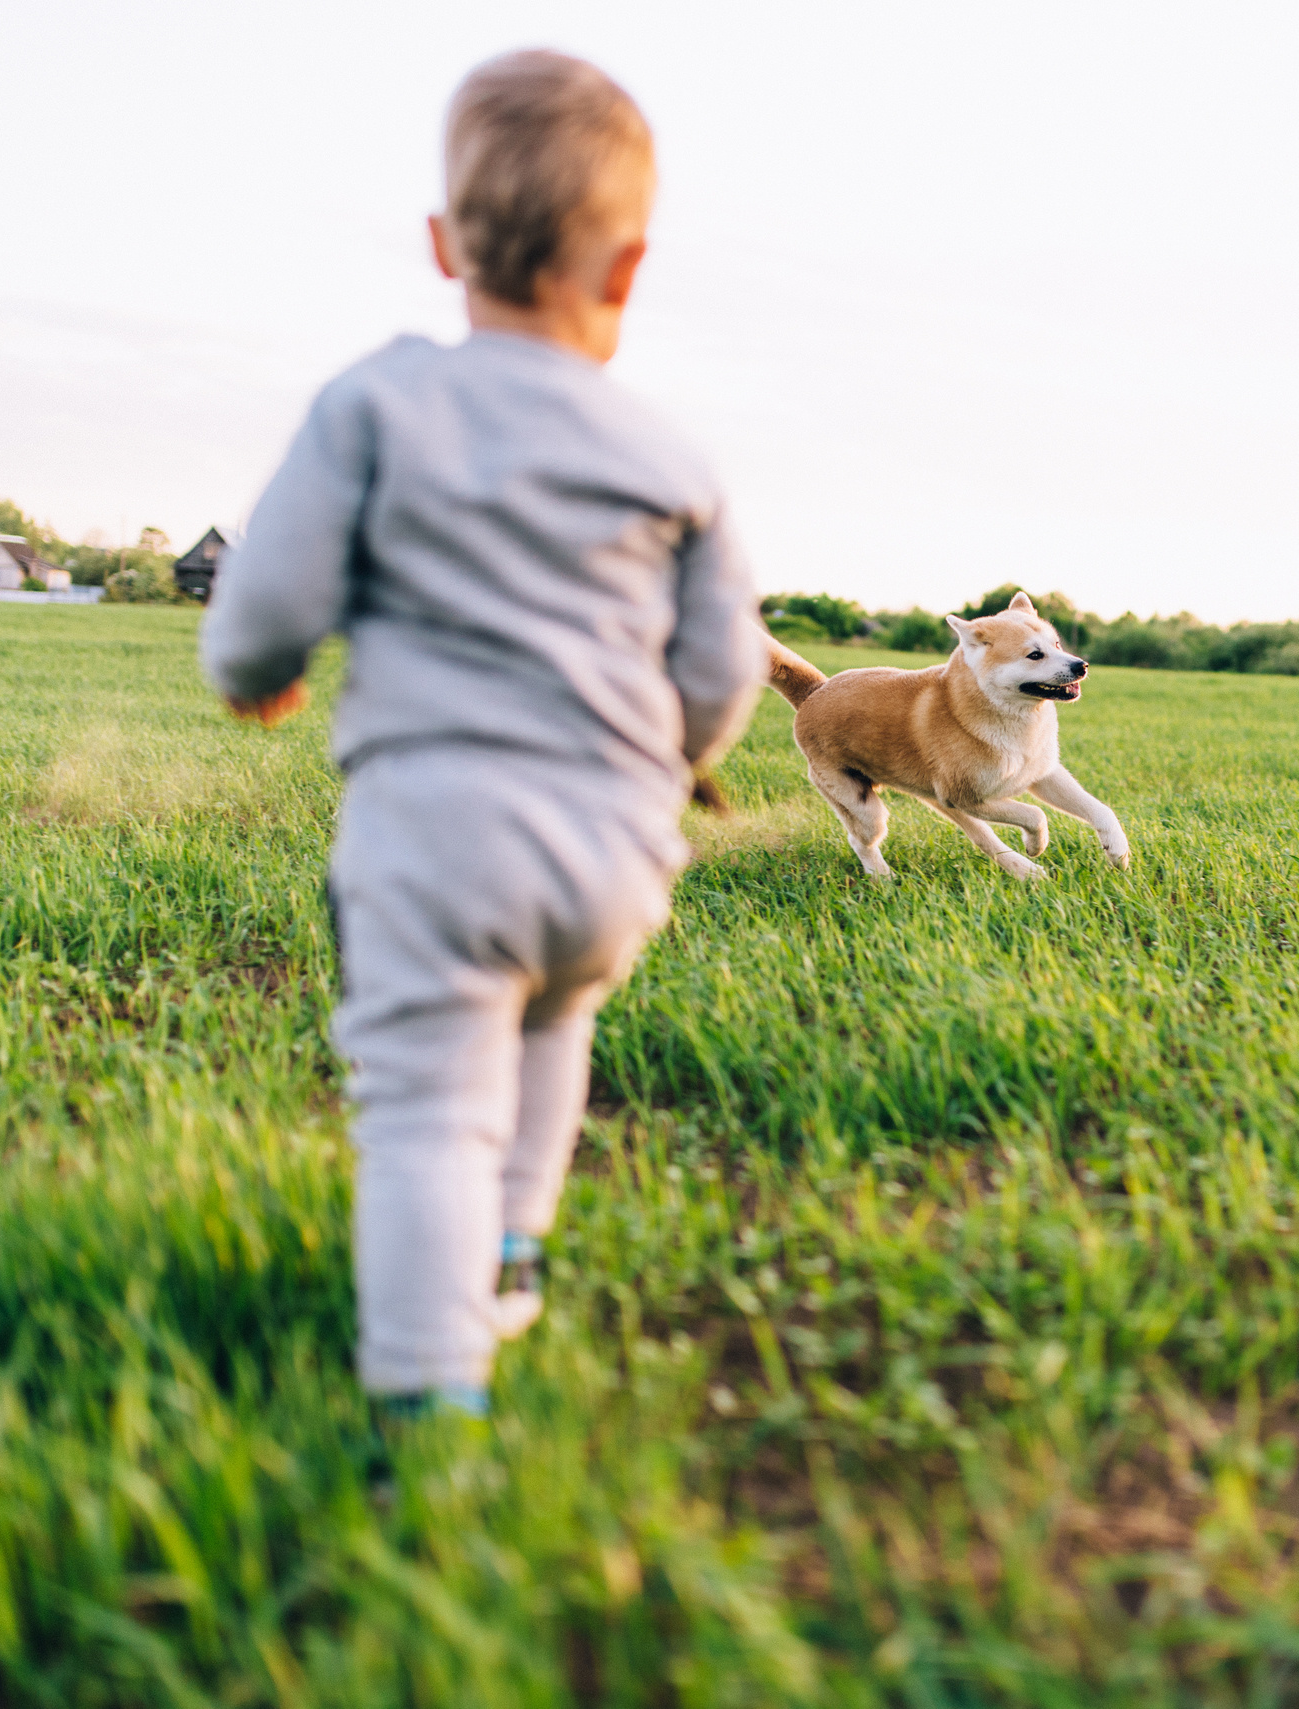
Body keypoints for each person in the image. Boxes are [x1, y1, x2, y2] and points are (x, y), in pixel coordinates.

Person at [200, 51, 767, 1421]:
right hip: (614, 848)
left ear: (444, 245)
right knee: (555, 1014)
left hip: (439, 832)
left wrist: (257, 672)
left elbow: (263, 602)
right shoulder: (670, 456)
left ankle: (425, 1402)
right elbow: (724, 664)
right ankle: (513, 1243)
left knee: (425, 1111)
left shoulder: (380, 401)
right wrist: (677, 754)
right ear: (628, 267)